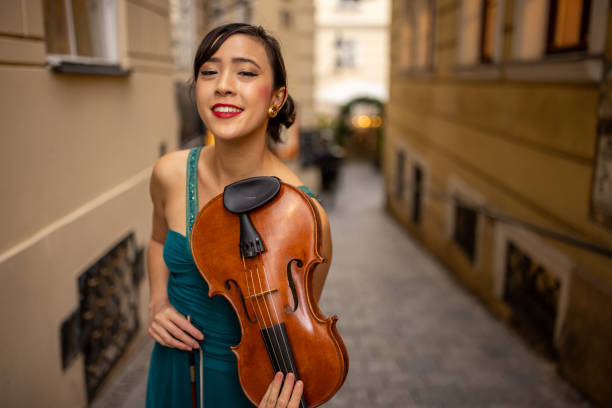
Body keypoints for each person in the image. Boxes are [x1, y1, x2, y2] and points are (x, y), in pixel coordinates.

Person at [145, 23, 332, 408]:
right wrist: (158, 302)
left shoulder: (306, 216)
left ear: (276, 98)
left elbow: (303, 333)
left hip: (250, 388)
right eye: (208, 72)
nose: (223, 85)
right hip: (171, 371)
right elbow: (158, 241)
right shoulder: (169, 173)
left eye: (246, 72)